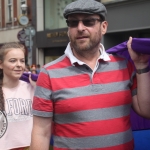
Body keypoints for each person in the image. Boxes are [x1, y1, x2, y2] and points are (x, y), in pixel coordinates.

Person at [30, 0, 150, 150]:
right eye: (73, 23)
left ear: (103, 27)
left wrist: (141, 66)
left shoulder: (124, 65)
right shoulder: (49, 73)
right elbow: (41, 132)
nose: (80, 28)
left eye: (88, 21)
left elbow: (146, 111)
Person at [0, 42, 36, 150]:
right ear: (1, 64)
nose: (19, 64)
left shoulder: (33, 87)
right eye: (13, 61)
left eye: (22, 60)